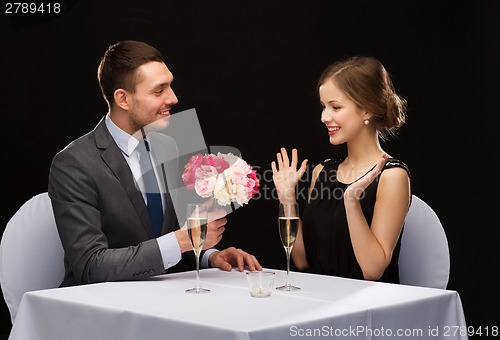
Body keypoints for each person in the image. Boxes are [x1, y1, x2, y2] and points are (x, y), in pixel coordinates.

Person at [48, 40, 262, 287]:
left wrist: (209, 256)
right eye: (159, 91)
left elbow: (163, 238)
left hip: (161, 297)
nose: (173, 98)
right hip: (98, 311)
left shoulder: (167, 146)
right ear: (123, 99)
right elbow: (91, 266)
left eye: (170, 86)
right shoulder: (74, 164)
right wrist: (183, 240)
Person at [271, 56, 411, 283]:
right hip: (319, 299)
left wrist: (351, 201)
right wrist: (287, 198)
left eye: (335, 107)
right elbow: (301, 260)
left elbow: (373, 270)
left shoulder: (392, 176)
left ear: (366, 110)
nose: (324, 117)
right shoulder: (321, 172)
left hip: (366, 309)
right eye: (323, 106)